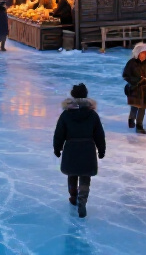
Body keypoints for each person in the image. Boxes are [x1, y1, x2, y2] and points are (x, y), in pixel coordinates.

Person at [53, 83, 105, 218]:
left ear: (73, 95)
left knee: (72, 173)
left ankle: (73, 197)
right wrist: (101, 149)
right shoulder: (92, 114)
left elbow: (59, 133)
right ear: (86, 95)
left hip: (71, 148)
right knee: (85, 176)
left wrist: (57, 148)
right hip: (87, 148)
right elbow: (99, 133)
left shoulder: (66, 114)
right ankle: (82, 201)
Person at [123, 43, 146, 134]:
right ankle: (131, 119)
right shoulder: (131, 63)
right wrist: (137, 80)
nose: (145, 55)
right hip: (135, 88)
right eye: (143, 53)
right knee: (135, 106)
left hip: (145, 89)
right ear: (138, 53)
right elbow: (125, 75)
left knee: (143, 107)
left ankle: (139, 125)